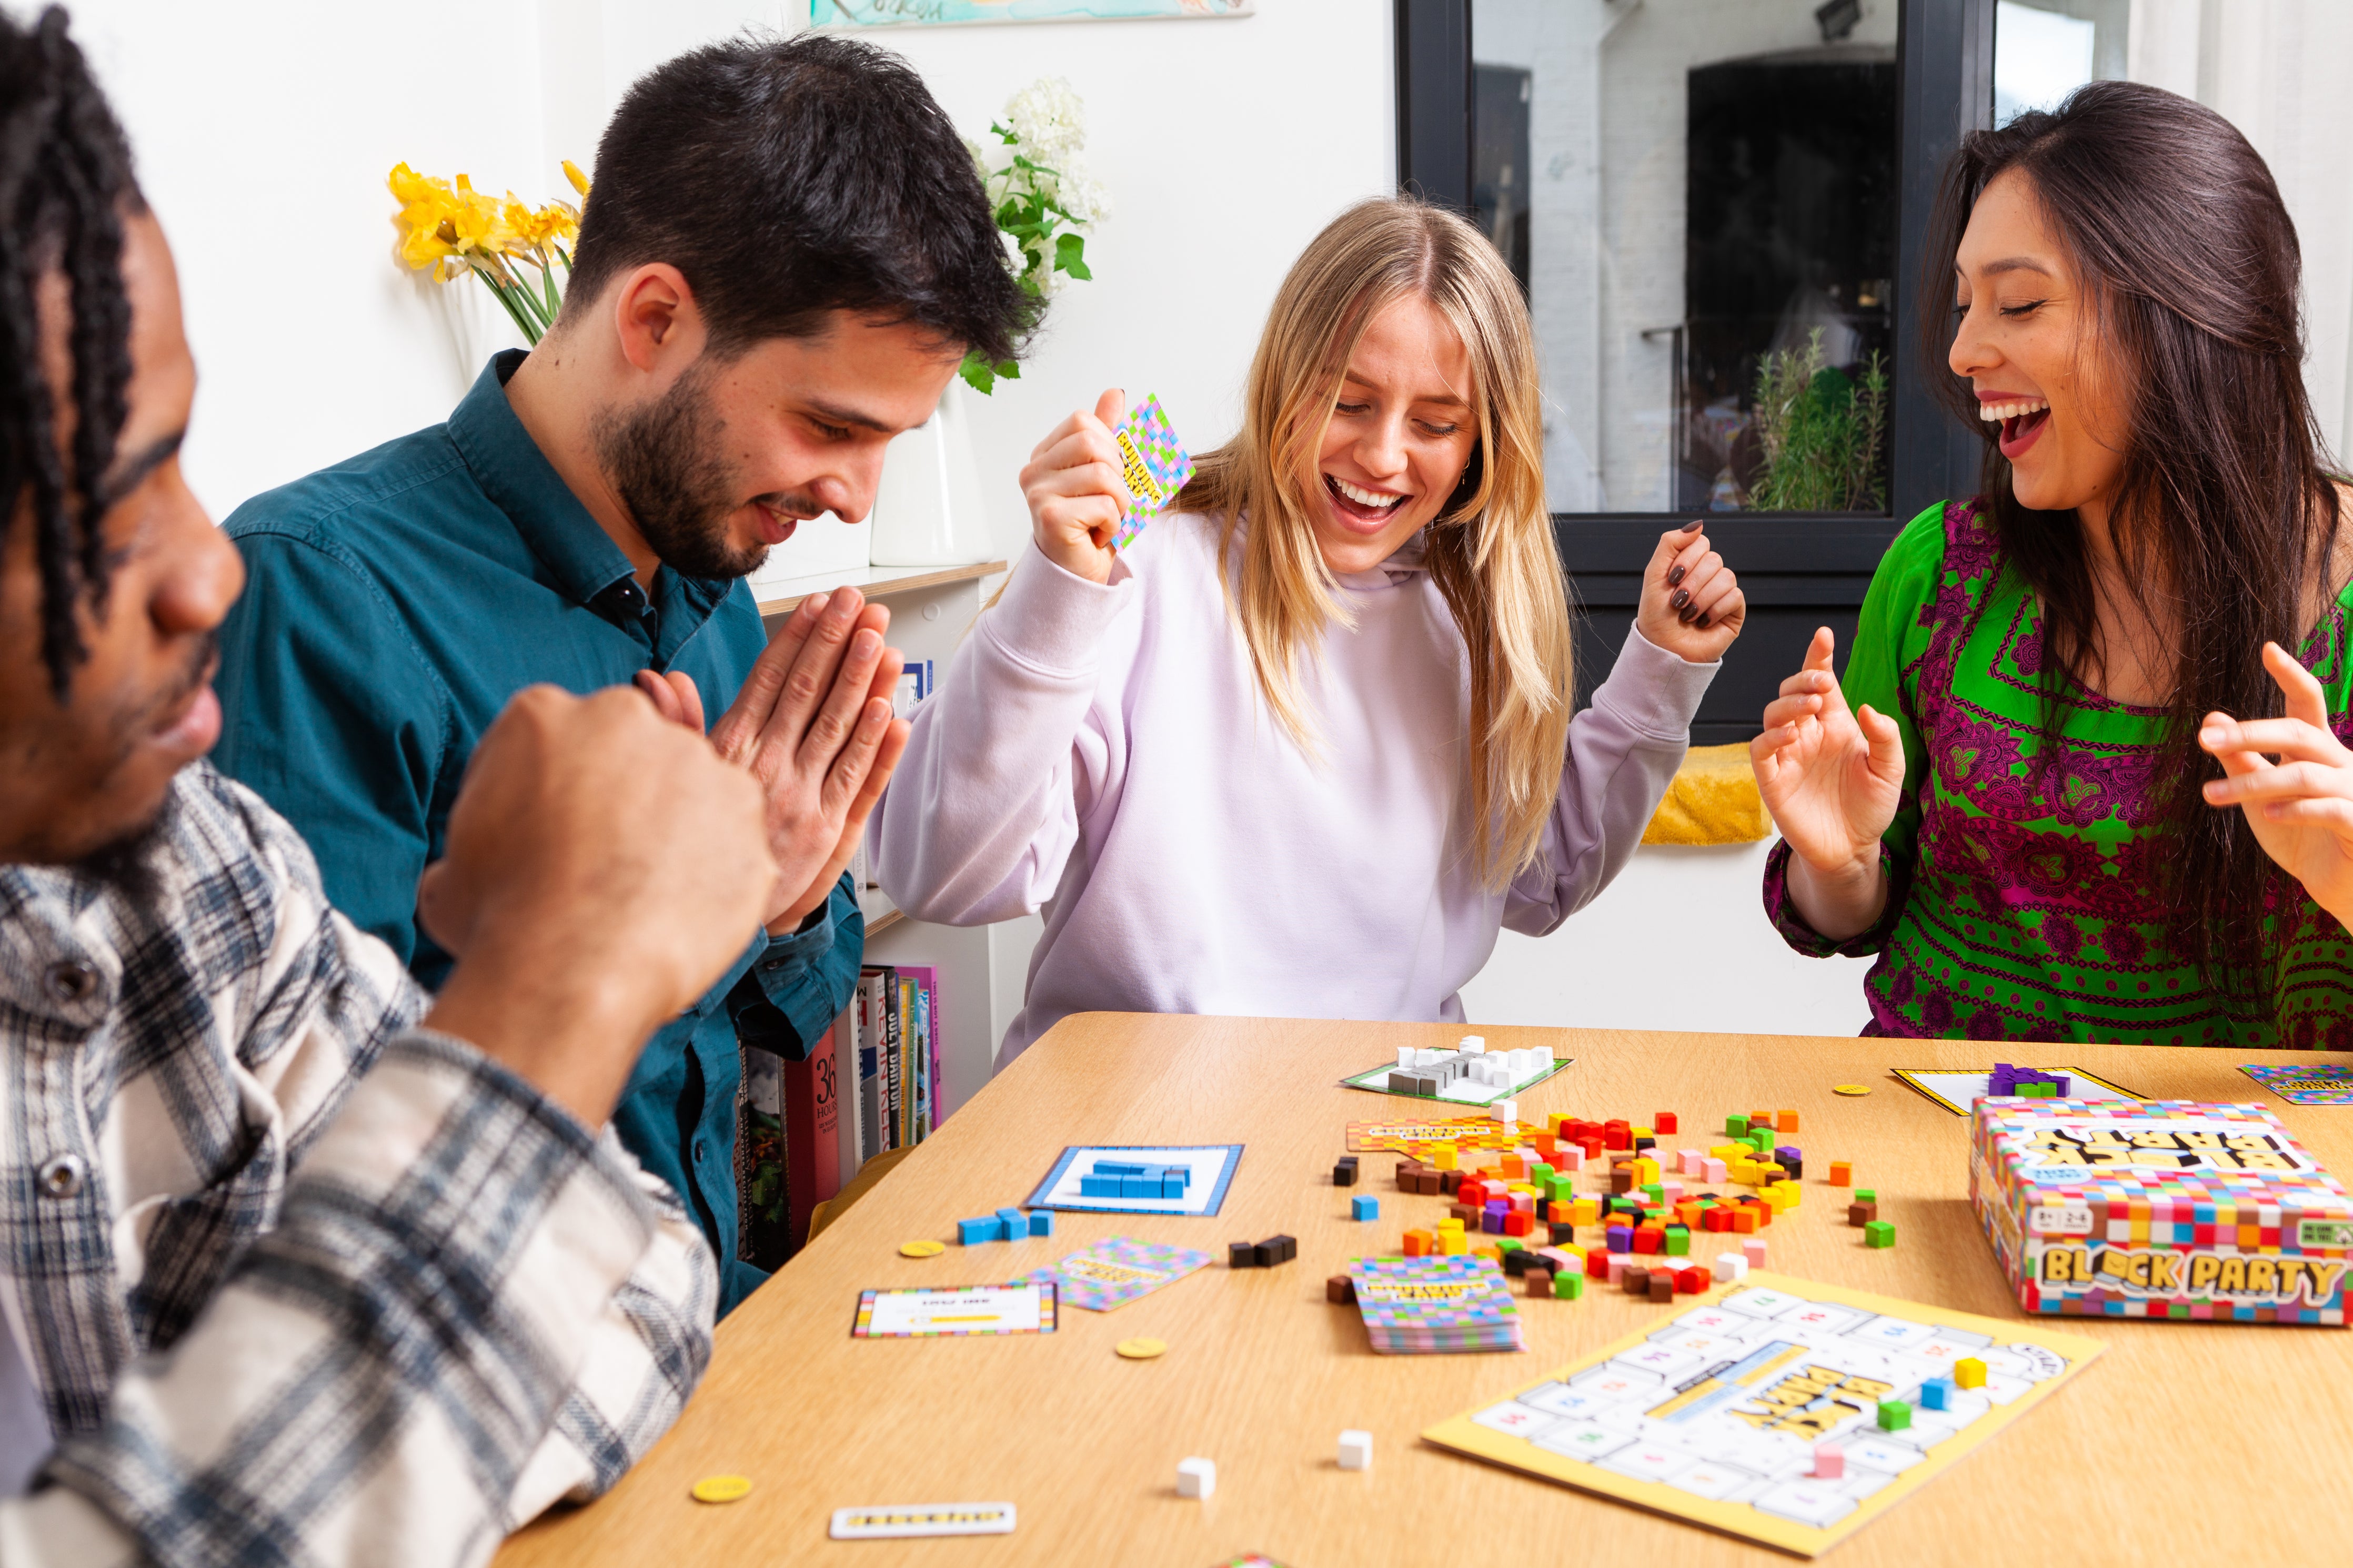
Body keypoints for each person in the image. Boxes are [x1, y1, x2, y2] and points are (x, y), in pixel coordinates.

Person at [0, 11, 776, 1557]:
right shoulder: (323, 593)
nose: (207, 571)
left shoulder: (185, 852)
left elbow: (645, 1283)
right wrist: (560, 978)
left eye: (179, 460)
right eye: (104, 501)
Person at [212, 34, 1032, 1309]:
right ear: (654, 319)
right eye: (829, 425)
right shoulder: (318, 595)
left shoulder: (712, 581)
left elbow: (768, 1017)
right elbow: (308, 1154)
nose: (853, 497)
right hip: (479, 1370)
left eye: (890, 443)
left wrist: (784, 909)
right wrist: (689, 917)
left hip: (694, 1320)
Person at [871, 197, 1744, 1056]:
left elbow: (1541, 879)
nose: (1383, 456)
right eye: (1349, 401)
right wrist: (1057, 587)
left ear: (1480, 445)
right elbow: (942, 873)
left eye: (1436, 423)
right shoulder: (1135, 561)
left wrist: (1659, 671)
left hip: (1387, 1117)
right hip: (1138, 1115)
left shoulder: (1469, 607)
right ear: (1284, 377)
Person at [1752, 81, 2353, 1045]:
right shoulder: (1936, 573)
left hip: (2245, 1150)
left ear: (2190, 309)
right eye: (1965, 305)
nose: (1962, 351)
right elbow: (1853, 911)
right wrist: (1840, 861)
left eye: (2020, 302)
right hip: (1930, 1123)